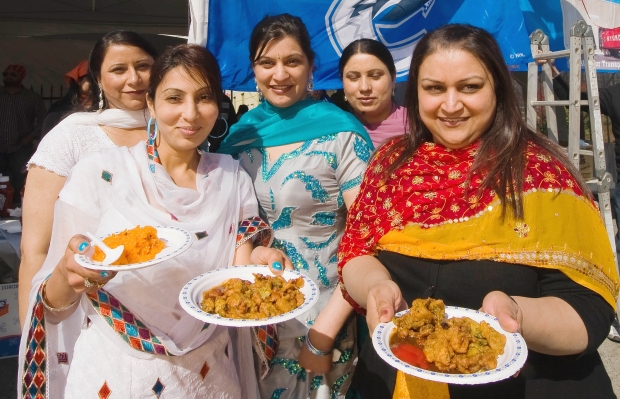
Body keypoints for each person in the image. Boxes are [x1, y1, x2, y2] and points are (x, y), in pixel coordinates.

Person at [338, 24, 619, 399]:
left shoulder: (543, 175)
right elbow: (357, 252)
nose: (451, 105)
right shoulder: (389, 165)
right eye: (434, 88)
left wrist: (516, 314)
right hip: (396, 382)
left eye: (470, 87)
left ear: (498, 89)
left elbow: (589, 312)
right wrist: (375, 287)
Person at [18, 43, 289, 399]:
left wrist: (261, 262)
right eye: (174, 98)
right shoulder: (102, 174)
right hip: (115, 375)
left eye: (204, 97)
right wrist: (69, 274)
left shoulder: (232, 177)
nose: (190, 114)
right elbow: (55, 301)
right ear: (151, 103)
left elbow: (235, 271)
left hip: (208, 376)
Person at [218, 14, 374, 399]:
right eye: (266, 63)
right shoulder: (239, 138)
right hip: (251, 314)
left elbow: (368, 239)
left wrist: (323, 334)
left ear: (311, 66)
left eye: (292, 61)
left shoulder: (343, 135)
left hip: (322, 318)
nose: (279, 74)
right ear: (253, 69)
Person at [18, 31, 158, 327]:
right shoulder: (71, 137)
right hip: (85, 309)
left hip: (162, 306)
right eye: (119, 70)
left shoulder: (175, 132)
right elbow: (35, 250)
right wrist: (32, 330)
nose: (134, 79)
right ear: (98, 78)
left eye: (143, 66)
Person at [339, 39, 407, 148]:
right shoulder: (333, 130)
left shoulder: (422, 127)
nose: (365, 87)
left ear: (393, 77)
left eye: (375, 76)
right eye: (353, 78)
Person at [0, 64, 46, 200]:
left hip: (21, 146)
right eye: (5, 74)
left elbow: (44, 119)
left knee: (21, 179)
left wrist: (31, 136)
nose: (8, 77)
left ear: (21, 77)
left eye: (13, 74)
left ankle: (18, 209)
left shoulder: (31, 97)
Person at [40, 60, 92, 138]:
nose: (96, 83)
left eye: (99, 79)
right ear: (79, 81)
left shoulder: (108, 105)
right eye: (91, 79)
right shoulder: (59, 109)